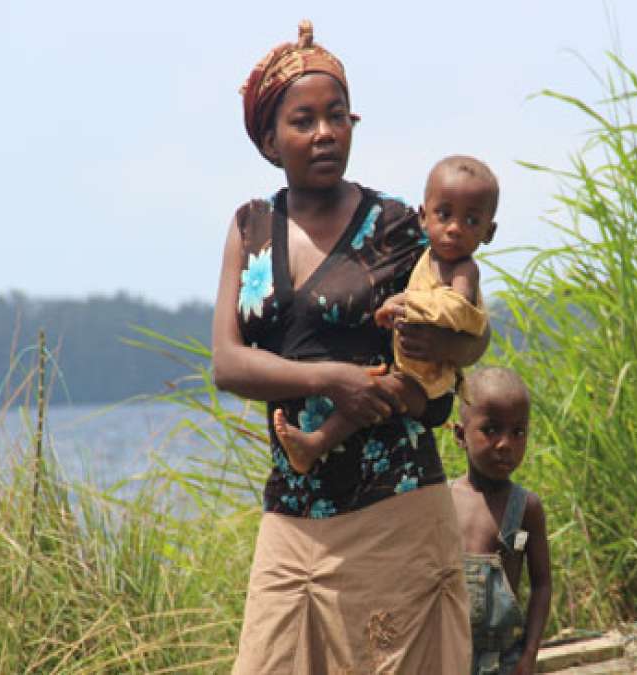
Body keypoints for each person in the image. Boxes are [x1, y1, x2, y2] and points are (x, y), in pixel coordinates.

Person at [211, 20, 487, 673]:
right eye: (303, 121)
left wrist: (438, 337)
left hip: (395, 507)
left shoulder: (398, 225)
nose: (325, 132)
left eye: (338, 116)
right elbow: (227, 362)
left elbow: (471, 334)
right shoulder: (251, 227)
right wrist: (333, 378)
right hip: (292, 509)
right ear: (270, 139)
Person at [274, 154, 497, 474]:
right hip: (407, 367)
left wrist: (405, 303)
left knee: (375, 393)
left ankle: (315, 444)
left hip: (428, 381)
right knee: (365, 386)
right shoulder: (426, 257)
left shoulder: (463, 269)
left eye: (471, 221)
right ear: (423, 217)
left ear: (488, 232)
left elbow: (457, 308)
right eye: (444, 215)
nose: (454, 229)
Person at [450, 367, 552, 675]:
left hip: (502, 662)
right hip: (447, 653)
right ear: (460, 435)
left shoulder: (525, 508)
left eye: (517, 432)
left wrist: (529, 654)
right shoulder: (443, 501)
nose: (505, 443)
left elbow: (542, 584)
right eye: (491, 429)